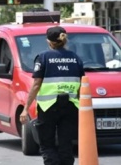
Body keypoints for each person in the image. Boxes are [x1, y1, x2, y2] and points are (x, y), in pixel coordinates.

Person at [19, 26, 85, 165]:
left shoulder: (43, 57)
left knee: (47, 143)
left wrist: (26, 108)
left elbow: (36, 84)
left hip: (48, 106)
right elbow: (81, 85)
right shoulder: (76, 58)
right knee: (66, 144)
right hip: (71, 106)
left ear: (48, 41)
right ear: (64, 40)